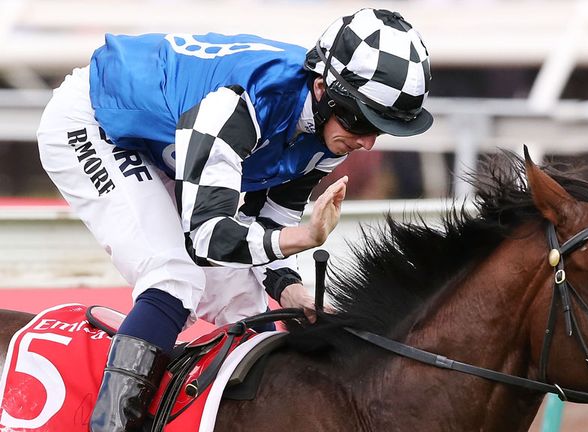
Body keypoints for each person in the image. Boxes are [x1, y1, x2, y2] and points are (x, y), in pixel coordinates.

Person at [36, 8, 432, 431]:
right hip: (96, 123)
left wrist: (292, 289)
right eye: (361, 121)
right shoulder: (242, 102)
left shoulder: (327, 129)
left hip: (166, 145)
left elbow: (265, 220)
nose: (367, 142)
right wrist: (302, 238)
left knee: (247, 307)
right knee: (173, 277)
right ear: (321, 88)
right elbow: (208, 239)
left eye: (382, 129)